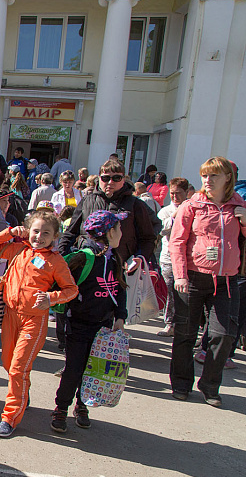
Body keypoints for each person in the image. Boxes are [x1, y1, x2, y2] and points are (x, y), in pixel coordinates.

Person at [0, 210, 78, 437]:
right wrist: (10, 232)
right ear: (28, 231)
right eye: (35, 231)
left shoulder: (56, 261)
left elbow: (71, 290)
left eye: (46, 233)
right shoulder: (19, 250)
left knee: (18, 368)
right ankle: (22, 395)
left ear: (55, 236)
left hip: (34, 320)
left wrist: (51, 298)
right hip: (10, 316)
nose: (39, 236)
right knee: (9, 363)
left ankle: (10, 417)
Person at [168, 157, 246, 408]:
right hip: (192, 278)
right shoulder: (192, 205)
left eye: (213, 176)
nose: (207, 181)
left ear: (227, 179)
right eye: (204, 176)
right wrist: (179, 274)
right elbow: (177, 241)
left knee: (223, 335)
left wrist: (244, 220)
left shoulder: (237, 204)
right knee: (185, 334)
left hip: (227, 280)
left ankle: (210, 385)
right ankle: (181, 383)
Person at [51, 210, 129, 433]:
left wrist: (120, 316)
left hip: (102, 326)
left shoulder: (114, 257)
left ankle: (82, 405)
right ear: (108, 233)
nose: (121, 233)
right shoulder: (83, 258)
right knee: (73, 369)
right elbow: (64, 286)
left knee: (91, 370)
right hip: (77, 324)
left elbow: (120, 288)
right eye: (119, 228)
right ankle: (61, 408)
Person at [60, 159, 156, 269]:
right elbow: (70, 233)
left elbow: (148, 238)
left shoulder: (136, 204)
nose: (110, 182)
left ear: (123, 180)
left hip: (122, 267)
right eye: (105, 178)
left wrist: (140, 257)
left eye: (116, 178)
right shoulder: (87, 200)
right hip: (88, 264)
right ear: (99, 179)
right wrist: (60, 256)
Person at [156, 178, 191, 337]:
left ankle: (184, 324)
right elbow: (161, 230)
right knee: (170, 291)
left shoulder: (192, 208)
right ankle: (169, 323)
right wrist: (175, 215)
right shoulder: (166, 211)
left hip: (188, 258)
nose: (175, 197)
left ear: (186, 193)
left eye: (178, 194)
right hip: (169, 258)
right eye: (172, 194)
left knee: (186, 294)